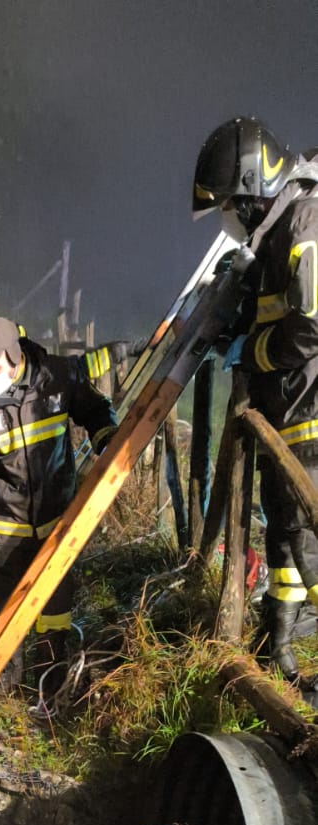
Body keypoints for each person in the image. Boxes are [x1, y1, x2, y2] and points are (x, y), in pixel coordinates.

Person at [192, 116, 318, 693]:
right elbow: (272, 311)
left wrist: (254, 352)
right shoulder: (277, 233)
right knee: (286, 544)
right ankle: (281, 655)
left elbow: (310, 326)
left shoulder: (305, 222)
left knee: (309, 546)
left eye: (228, 206)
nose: (229, 219)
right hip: (287, 419)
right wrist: (240, 308)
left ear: (250, 191)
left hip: (310, 420)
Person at [0, 316, 117, 694]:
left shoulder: (56, 378)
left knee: (55, 609)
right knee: (6, 614)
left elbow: (95, 410)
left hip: (56, 521)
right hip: (2, 527)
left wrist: (108, 440)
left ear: (13, 354)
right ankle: (5, 694)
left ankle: (49, 687)